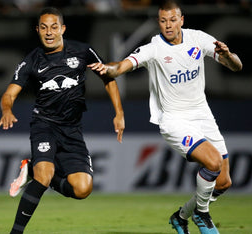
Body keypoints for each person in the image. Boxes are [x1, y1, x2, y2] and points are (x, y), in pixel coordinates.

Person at [89, 1, 242, 234]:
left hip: (202, 114)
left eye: (172, 20)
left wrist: (228, 55)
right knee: (212, 162)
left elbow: (236, 67)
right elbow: (121, 67)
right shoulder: (154, 48)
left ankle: (181, 217)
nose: (168, 25)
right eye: (163, 21)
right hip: (174, 120)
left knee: (223, 182)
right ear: (158, 22)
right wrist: (108, 69)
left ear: (181, 20)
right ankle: (202, 214)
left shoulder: (198, 38)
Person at [0, 7, 125, 234]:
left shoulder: (83, 51)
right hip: (44, 125)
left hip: (72, 130)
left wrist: (119, 113)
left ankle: (30, 169)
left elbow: (108, 77)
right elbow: (9, 94)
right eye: (43, 27)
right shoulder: (32, 61)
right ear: (37, 30)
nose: (49, 32)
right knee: (43, 177)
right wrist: (7, 109)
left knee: (82, 189)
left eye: (54, 27)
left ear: (62, 28)